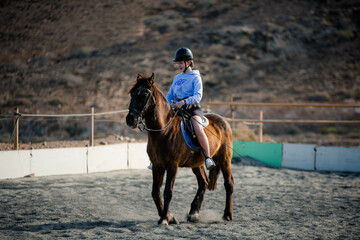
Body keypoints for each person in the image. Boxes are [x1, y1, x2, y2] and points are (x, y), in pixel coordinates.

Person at [148, 47, 216, 170]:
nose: (178, 65)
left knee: (197, 127)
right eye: (178, 63)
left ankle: (207, 157)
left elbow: (198, 96)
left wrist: (183, 102)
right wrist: (166, 105)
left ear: (188, 62)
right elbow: (169, 95)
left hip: (192, 109)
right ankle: (156, 159)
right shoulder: (177, 78)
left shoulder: (196, 77)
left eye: (180, 63)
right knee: (162, 126)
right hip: (177, 109)